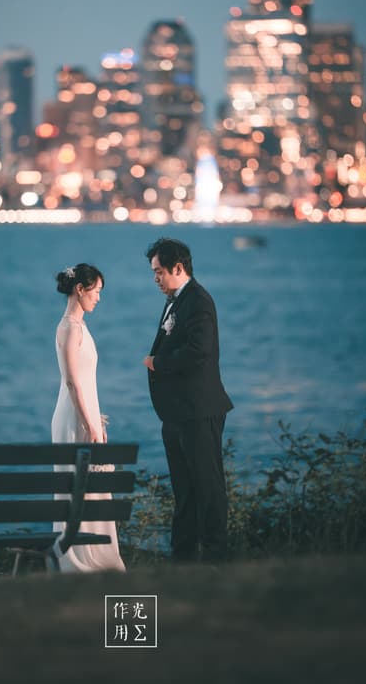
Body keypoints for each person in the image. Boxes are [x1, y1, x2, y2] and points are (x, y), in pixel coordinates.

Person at [143, 238, 233, 563]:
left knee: (207, 488)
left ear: (177, 268)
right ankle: (182, 558)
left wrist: (158, 363)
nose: (155, 278)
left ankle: (214, 556)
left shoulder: (198, 300)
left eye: (158, 272)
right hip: (177, 413)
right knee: (185, 491)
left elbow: (200, 351)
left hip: (199, 410)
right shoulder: (175, 301)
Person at [49, 263, 125, 572]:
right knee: (77, 486)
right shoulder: (69, 327)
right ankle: (78, 560)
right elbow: (71, 381)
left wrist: (97, 418)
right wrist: (90, 423)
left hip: (86, 414)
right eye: (95, 292)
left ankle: (96, 556)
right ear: (79, 289)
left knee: (92, 487)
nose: (98, 298)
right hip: (74, 417)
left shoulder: (80, 326)